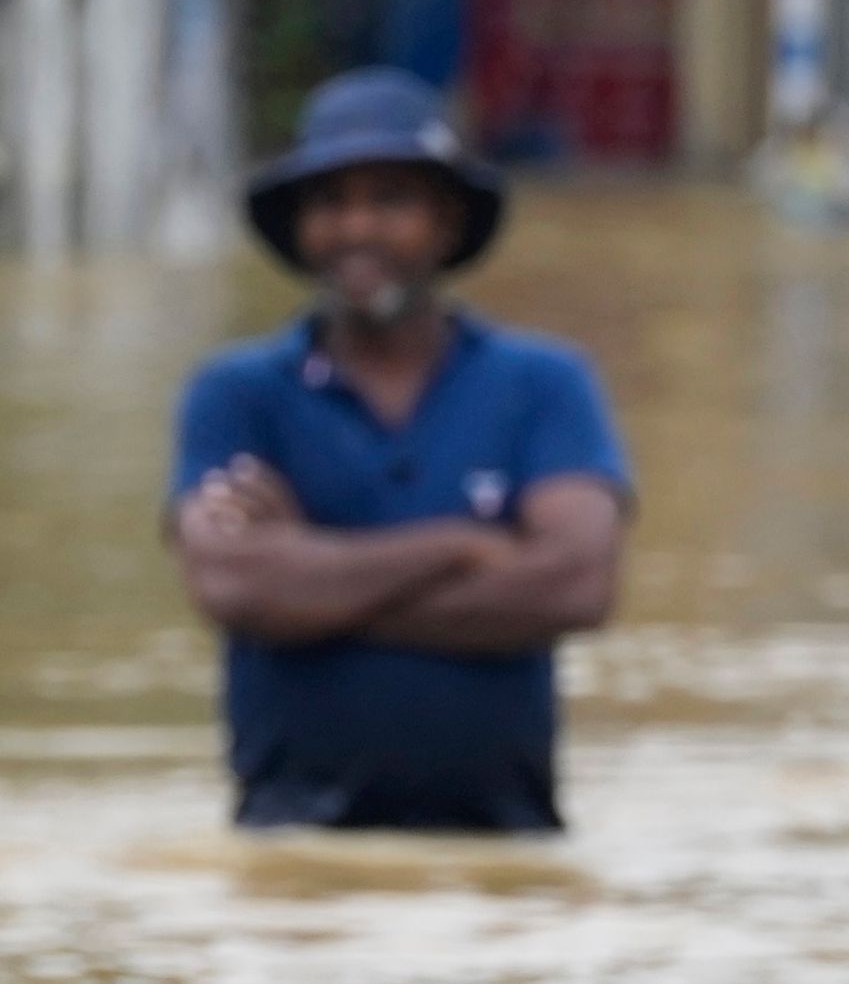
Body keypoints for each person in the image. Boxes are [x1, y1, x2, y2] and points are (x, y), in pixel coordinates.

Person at [166, 67, 631, 833]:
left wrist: (308, 580)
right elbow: (231, 587)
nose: (357, 230)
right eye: (330, 202)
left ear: (448, 222)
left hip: (505, 850)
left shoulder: (543, 382)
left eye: (390, 200)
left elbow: (576, 585)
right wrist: (462, 546)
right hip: (291, 852)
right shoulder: (237, 392)